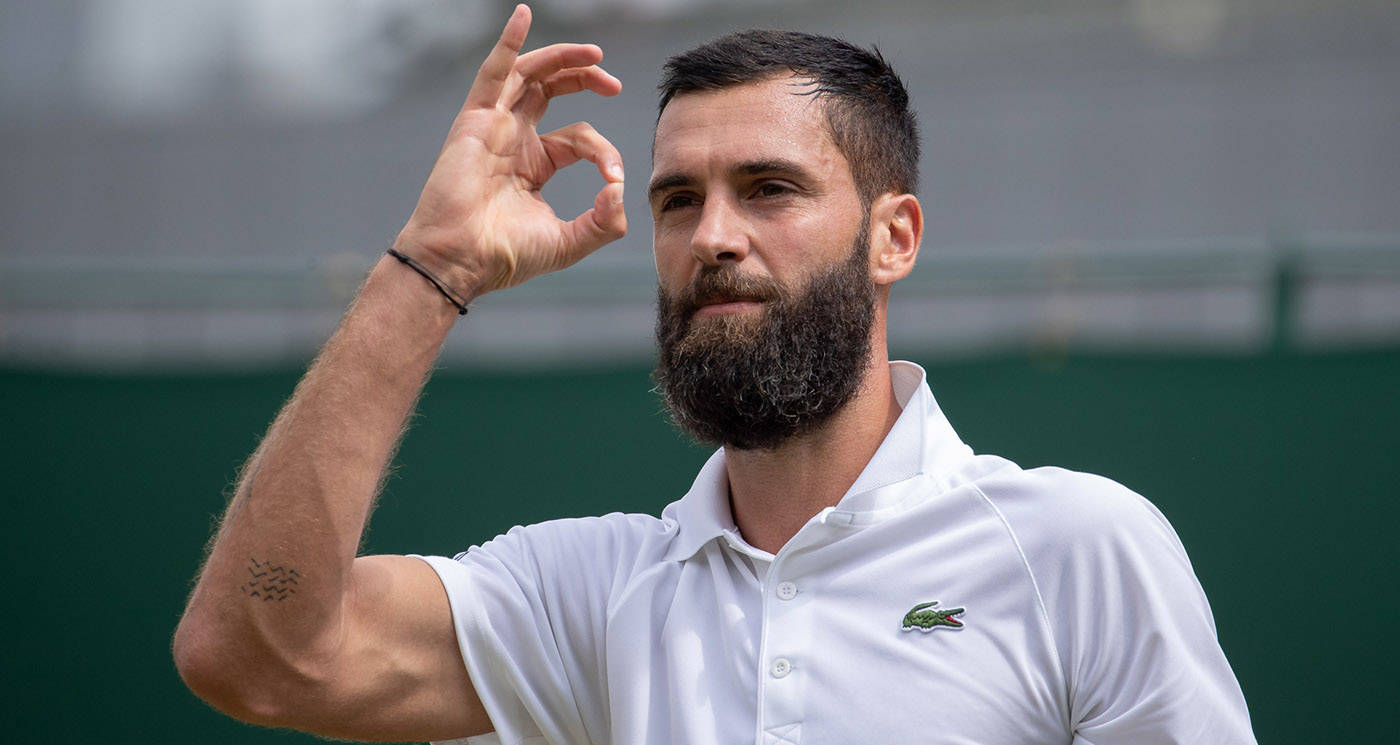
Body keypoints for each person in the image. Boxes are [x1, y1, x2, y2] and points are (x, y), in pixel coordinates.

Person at [173, 5, 1256, 744]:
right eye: (677, 200)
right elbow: (258, 652)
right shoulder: (594, 594)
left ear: (894, 236)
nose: (711, 237)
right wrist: (431, 268)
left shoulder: (1077, 547)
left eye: (769, 187)